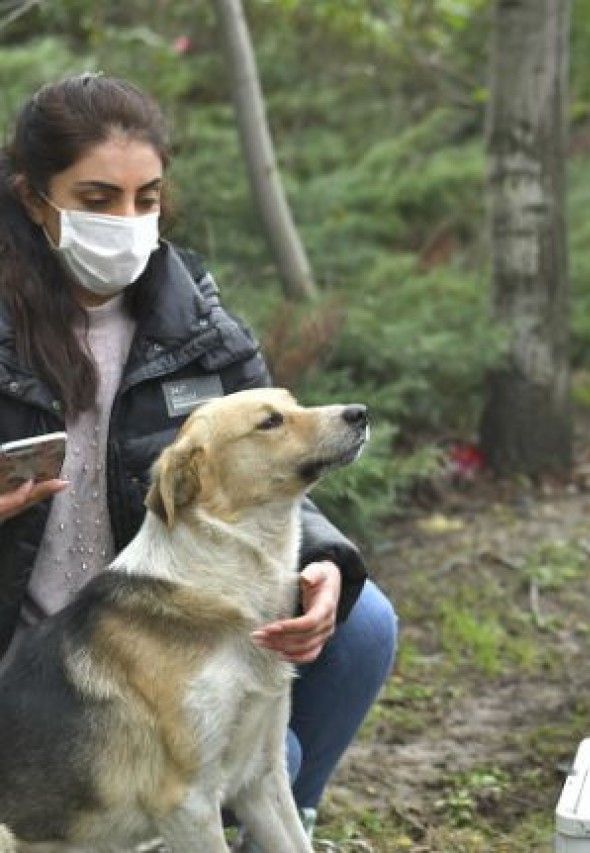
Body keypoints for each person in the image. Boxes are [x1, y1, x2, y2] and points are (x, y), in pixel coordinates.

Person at [0, 74, 397, 843]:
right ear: (31, 197)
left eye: (145, 198)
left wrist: (321, 562)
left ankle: (276, 817)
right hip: (35, 672)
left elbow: (269, 462)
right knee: (210, 772)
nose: (126, 221)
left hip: (179, 622)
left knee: (359, 623)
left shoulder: (194, 322)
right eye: (96, 198)